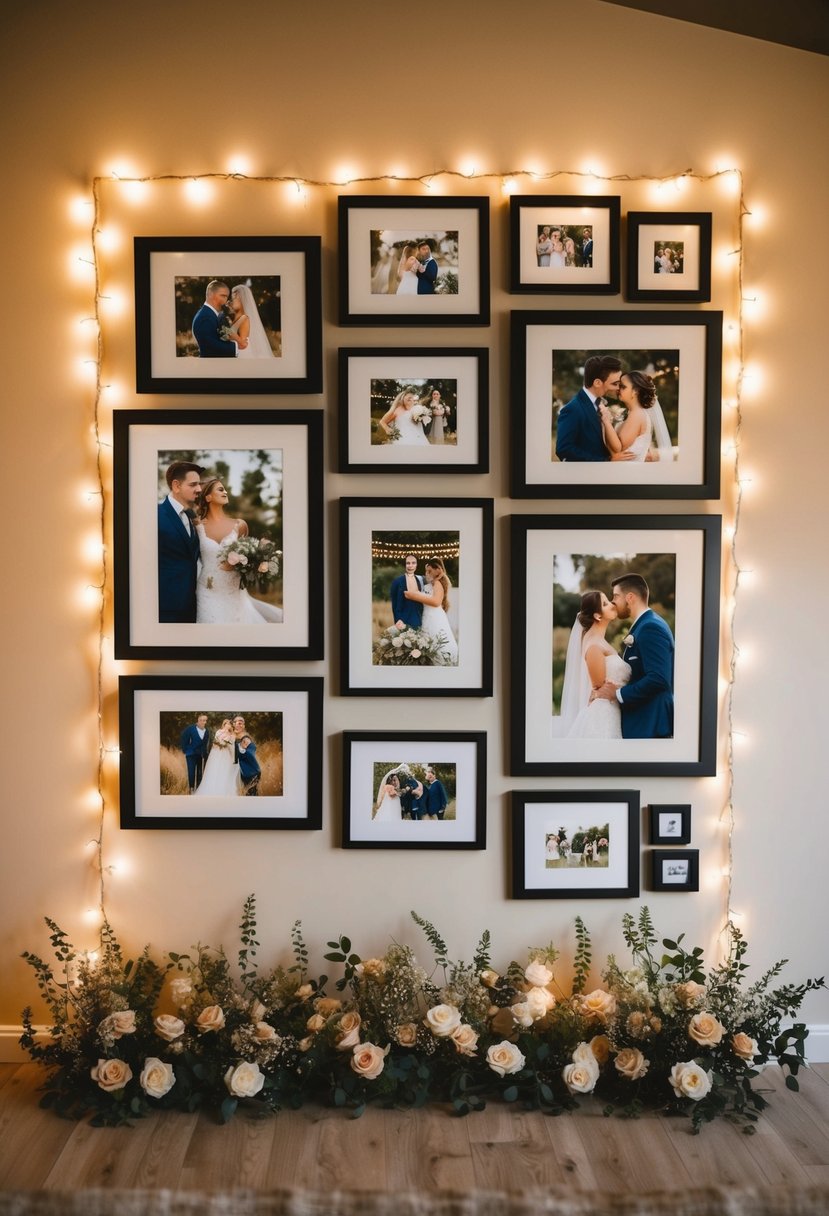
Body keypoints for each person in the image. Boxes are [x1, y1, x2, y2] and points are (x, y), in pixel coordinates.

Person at [592, 573, 675, 739]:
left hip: (650, 723)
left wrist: (618, 693)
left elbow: (658, 678)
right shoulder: (643, 625)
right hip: (642, 722)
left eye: (616, 596)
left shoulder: (651, 627)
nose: (613, 602)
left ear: (630, 597)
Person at [194, 476, 283, 625]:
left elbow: (249, 556)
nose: (226, 492)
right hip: (207, 590)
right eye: (221, 489)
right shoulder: (196, 526)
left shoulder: (240, 525)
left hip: (234, 591)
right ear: (208, 497)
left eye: (225, 489)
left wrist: (247, 564)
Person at [557, 590, 631, 739]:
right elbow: (598, 686)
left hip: (613, 711)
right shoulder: (594, 646)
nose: (612, 604)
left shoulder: (600, 641)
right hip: (603, 715)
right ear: (597, 615)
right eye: (605, 604)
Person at [555, 355, 635, 463]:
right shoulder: (573, 409)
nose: (618, 388)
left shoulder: (600, 404)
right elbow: (564, 450)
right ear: (597, 383)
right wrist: (606, 460)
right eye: (615, 384)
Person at [158, 460, 203, 623]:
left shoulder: (193, 517)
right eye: (193, 485)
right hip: (165, 609)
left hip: (193, 607)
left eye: (199, 484)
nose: (199, 489)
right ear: (176, 486)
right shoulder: (156, 515)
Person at [598, 371, 673, 463]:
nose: (618, 389)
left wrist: (606, 420)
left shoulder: (637, 414)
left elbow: (618, 450)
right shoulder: (632, 413)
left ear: (635, 391)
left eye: (623, 387)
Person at [403, 557, 458, 663]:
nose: (427, 573)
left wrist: (414, 596)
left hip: (434, 617)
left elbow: (436, 602)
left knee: (436, 641)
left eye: (430, 571)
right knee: (428, 642)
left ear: (438, 570)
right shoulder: (432, 584)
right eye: (426, 571)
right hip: (427, 616)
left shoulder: (438, 584)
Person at [192, 280, 248, 358]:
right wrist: (238, 346)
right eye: (222, 296)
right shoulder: (205, 317)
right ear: (211, 295)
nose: (225, 300)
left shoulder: (210, 314)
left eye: (227, 297)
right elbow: (211, 346)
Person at [195, 718, 240, 797]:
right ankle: (212, 788)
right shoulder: (219, 732)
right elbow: (215, 742)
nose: (228, 725)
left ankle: (222, 788)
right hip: (216, 753)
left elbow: (232, 745)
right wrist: (218, 744)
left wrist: (229, 738)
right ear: (224, 724)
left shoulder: (232, 734)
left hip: (225, 753)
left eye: (230, 724)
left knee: (223, 770)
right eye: (227, 724)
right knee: (214, 769)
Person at [226, 284, 275, 358]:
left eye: (234, 298)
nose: (231, 301)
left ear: (242, 300)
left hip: (243, 354)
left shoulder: (244, 319)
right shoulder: (238, 317)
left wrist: (229, 334)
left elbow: (242, 343)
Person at [390, 554, 424, 629]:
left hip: (417, 619)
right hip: (402, 620)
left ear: (416, 565)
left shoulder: (420, 580)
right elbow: (394, 603)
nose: (410, 566)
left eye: (413, 563)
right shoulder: (397, 582)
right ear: (405, 565)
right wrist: (397, 620)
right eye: (408, 563)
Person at [180, 714, 211, 793]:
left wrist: (205, 754)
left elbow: (205, 744)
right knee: (191, 772)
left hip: (200, 755)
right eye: (203, 720)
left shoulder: (206, 731)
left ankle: (198, 789)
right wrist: (185, 750)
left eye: (205, 721)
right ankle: (191, 789)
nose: (205, 722)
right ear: (199, 720)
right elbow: (183, 738)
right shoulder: (190, 729)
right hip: (191, 754)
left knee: (200, 772)